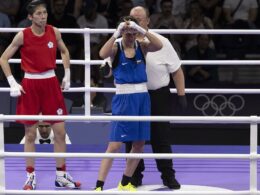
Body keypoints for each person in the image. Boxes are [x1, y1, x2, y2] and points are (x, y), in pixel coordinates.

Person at [0, 0, 81, 190]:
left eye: (44, 13)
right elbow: (3, 59)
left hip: (51, 83)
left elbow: (64, 51)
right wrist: (12, 81)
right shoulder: (22, 35)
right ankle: (30, 176)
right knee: (30, 134)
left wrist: (67, 75)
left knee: (60, 132)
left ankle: (61, 176)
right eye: (38, 13)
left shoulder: (54, 31)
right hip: (30, 84)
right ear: (30, 17)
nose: (43, 16)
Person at [94, 15, 162, 191]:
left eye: (133, 33)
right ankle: (99, 185)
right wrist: (116, 33)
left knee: (139, 144)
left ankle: (125, 181)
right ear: (122, 32)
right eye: (127, 33)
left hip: (142, 98)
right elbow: (102, 54)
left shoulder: (143, 45)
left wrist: (141, 30)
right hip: (124, 99)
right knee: (115, 145)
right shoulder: (116, 48)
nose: (130, 36)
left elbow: (159, 45)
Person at [125, 6, 187, 189]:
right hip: (133, 94)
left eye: (139, 19)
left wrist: (181, 94)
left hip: (157, 95)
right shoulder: (122, 41)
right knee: (132, 138)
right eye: (132, 18)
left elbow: (176, 70)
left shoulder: (162, 42)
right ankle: (134, 177)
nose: (135, 22)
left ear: (148, 21)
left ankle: (168, 176)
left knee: (161, 138)